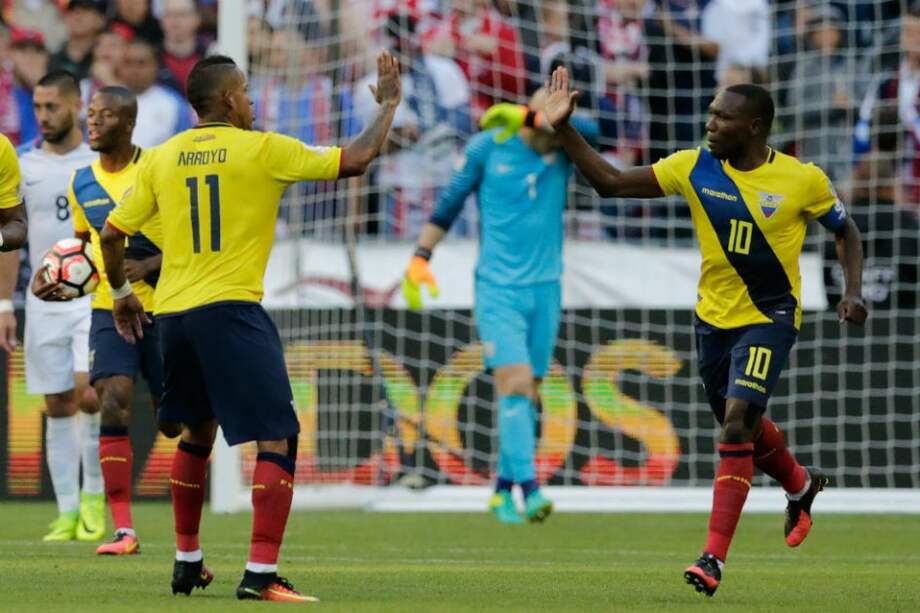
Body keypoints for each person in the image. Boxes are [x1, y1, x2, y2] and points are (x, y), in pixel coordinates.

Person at [536, 67, 867, 595]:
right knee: (747, 429)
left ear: (755, 127)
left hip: (770, 317)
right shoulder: (694, 166)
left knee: (736, 424)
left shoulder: (803, 179)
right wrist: (563, 129)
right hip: (712, 321)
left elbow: (845, 229)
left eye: (721, 116)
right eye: (710, 113)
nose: (709, 123)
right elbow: (610, 183)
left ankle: (712, 559)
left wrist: (852, 290)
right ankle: (801, 486)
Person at [99, 51, 401, 602]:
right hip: (232, 310)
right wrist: (387, 107)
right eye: (246, 90)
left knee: (197, 430)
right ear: (229, 99)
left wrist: (121, 295)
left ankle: (188, 562)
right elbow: (357, 159)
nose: (253, 100)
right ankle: (261, 573)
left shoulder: (161, 159)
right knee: (277, 435)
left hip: (175, 315)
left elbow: (112, 233)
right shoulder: (264, 149)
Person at [402, 91, 598, 524]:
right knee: (515, 384)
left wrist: (544, 116)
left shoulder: (566, 146)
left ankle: (500, 490)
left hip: (546, 288)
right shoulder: (488, 146)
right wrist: (420, 257)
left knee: (530, 391)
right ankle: (530, 490)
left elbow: (596, 133)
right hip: (497, 288)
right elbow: (450, 203)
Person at [49, 86, 163, 556]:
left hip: (165, 307)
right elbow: (82, 248)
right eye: (90, 115)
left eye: (105, 115)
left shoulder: (158, 170)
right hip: (107, 308)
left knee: (175, 421)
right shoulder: (81, 181)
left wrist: (149, 267)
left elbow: (191, 240)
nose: (92, 123)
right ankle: (123, 530)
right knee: (111, 396)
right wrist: (63, 276)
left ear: (129, 123)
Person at [0, 70, 103, 542]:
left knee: (90, 392)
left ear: (77, 105)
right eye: (37, 108)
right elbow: (10, 240)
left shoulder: (101, 161)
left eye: (52, 107)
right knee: (57, 401)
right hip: (42, 300)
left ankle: (94, 500)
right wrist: (5, 303)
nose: (43, 116)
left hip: (93, 295)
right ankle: (66, 512)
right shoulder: (21, 163)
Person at [118, 39, 194, 148]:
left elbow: (186, 148)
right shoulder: (106, 100)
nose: (134, 70)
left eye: (141, 63)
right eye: (128, 63)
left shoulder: (173, 103)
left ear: (155, 67)